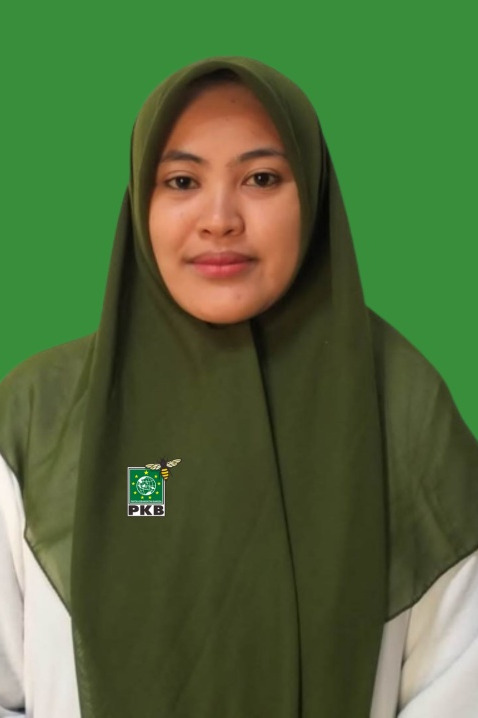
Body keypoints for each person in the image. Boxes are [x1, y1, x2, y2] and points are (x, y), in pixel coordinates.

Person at [0, 57, 477, 718]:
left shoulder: (401, 404)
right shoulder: (38, 413)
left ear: (312, 192)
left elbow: (461, 682)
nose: (220, 219)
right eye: (181, 180)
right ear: (140, 202)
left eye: (261, 178)